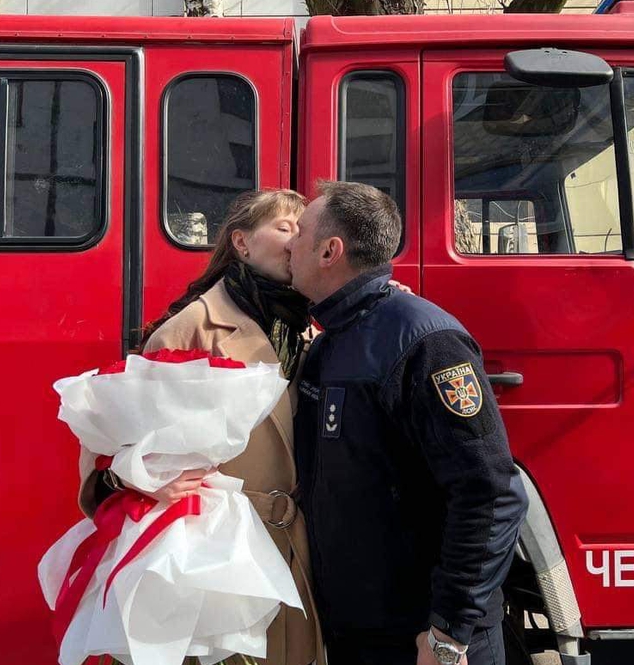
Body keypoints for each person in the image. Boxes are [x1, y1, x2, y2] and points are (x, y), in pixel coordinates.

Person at [76, 189, 324, 665]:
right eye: (285, 227)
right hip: (220, 555)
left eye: (304, 230)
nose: (297, 241)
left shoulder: (306, 327)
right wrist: (143, 481)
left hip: (297, 542)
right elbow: (115, 438)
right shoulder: (191, 326)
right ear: (242, 243)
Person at [286, 181, 529, 665]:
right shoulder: (333, 339)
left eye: (300, 232)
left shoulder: (424, 344)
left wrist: (448, 632)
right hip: (363, 631)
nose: (290, 243)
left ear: (330, 251)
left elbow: (490, 492)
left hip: (421, 639)